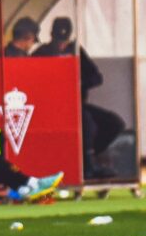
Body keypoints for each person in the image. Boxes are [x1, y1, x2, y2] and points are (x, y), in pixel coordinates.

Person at [32, 17, 124, 178]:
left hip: (76, 104)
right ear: (51, 36)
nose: (61, 45)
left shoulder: (76, 50)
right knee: (87, 123)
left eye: (64, 41)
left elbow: (96, 77)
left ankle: (86, 157)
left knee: (114, 123)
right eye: (58, 41)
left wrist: (79, 83)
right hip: (52, 107)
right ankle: (87, 166)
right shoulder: (42, 53)